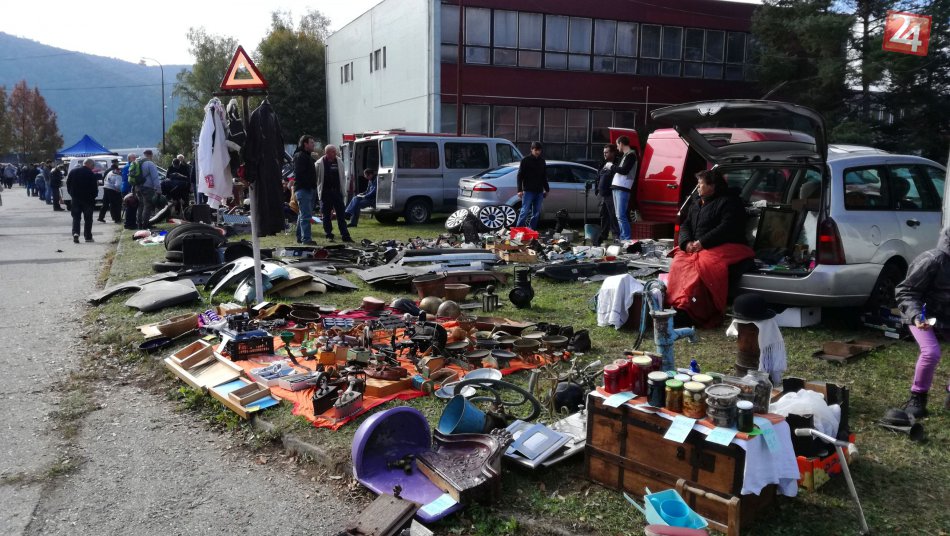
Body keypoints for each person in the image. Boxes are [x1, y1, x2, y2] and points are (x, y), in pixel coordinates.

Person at [666, 168, 753, 328]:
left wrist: (703, 242)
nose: (698, 187)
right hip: (697, 247)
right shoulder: (696, 203)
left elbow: (727, 227)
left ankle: (692, 311)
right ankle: (675, 305)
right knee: (679, 262)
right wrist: (686, 243)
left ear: (712, 186)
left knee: (701, 266)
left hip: (726, 246)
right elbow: (685, 225)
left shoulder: (730, 202)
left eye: (701, 184)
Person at [894, 226, 950, 418]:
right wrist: (917, 315)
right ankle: (917, 397)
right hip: (922, 313)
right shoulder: (933, 260)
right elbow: (906, 291)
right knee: (931, 352)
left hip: (947, 315)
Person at [315, 144, 352, 242]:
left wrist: (343, 190)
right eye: (333, 151)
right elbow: (316, 178)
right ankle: (329, 235)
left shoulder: (339, 161)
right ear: (327, 153)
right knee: (326, 215)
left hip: (337, 192)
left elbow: (342, 177)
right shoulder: (319, 163)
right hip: (325, 192)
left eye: (335, 151)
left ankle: (345, 235)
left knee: (341, 215)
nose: (335, 153)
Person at [609, 136, 639, 241]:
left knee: (621, 215)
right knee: (619, 215)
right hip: (618, 187)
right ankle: (623, 238)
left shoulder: (631, 155)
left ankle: (626, 238)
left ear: (621, 143)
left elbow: (624, 170)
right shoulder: (626, 155)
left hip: (623, 187)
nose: (617, 147)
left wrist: (611, 166)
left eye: (617, 145)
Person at [515, 141, 549, 230]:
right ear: (532, 149)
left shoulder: (542, 161)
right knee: (525, 211)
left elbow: (544, 176)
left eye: (539, 150)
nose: (538, 152)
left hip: (539, 191)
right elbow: (519, 176)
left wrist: (547, 189)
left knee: (536, 212)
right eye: (536, 150)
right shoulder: (525, 160)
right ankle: (518, 229)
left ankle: (531, 230)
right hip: (528, 191)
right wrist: (519, 190)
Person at [293, 135, 318, 245]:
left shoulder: (307, 156)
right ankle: (306, 239)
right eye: (311, 142)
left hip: (308, 189)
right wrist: (309, 184)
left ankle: (300, 237)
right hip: (304, 189)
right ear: (305, 144)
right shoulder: (300, 156)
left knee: (302, 215)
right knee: (306, 216)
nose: (314, 144)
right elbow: (299, 174)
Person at [66, 158, 98, 243]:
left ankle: (76, 233)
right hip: (88, 200)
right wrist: (94, 196)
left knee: (76, 218)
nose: (93, 167)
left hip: (76, 199)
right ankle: (88, 237)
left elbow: (68, 184)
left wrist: (72, 194)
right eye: (93, 166)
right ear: (90, 165)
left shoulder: (73, 172)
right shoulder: (91, 174)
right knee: (88, 219)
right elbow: (94, 188)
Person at [595, 144, 620, 245]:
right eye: (604, 152)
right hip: (602, 194)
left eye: (607, 152)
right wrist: (597, 190)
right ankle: (603, 234)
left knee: (613, 215)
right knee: (603, 215)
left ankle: (616, 235)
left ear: (613, 153)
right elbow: (598, 177)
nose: (604, 154)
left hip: (611, 194)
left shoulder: (617, 164)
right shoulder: (603, 163)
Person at [135, 149, 161, 229]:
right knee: (147, 206)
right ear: (151, 155)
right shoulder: (150, 163)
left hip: (138, 187)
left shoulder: (137, 162)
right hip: (147, 188)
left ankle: (139, 224)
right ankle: (145, 224)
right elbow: (155, 177)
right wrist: (158, 189)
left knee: (140, 206)